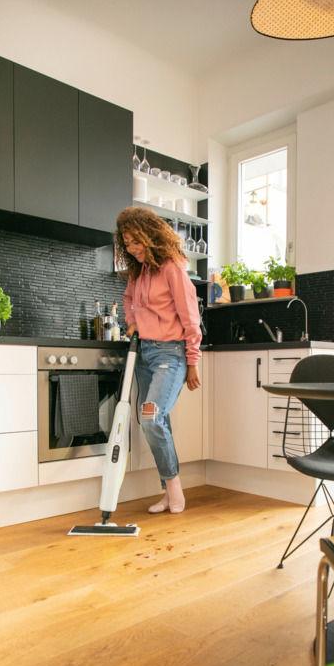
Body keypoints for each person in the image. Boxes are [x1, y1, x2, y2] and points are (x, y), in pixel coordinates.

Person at [116, 206, 202, 514]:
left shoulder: (172, 268)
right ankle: (168, 492)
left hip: (170, 354)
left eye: (135, 241)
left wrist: (192, 361)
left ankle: (175, 490)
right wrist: (132, 321)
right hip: (145, 354)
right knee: (155, 420)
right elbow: (128, 298)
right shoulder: (138, 272)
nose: (131, 248)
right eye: (126, 243)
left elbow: (190, 317)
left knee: (151, 418)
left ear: (149, 235)